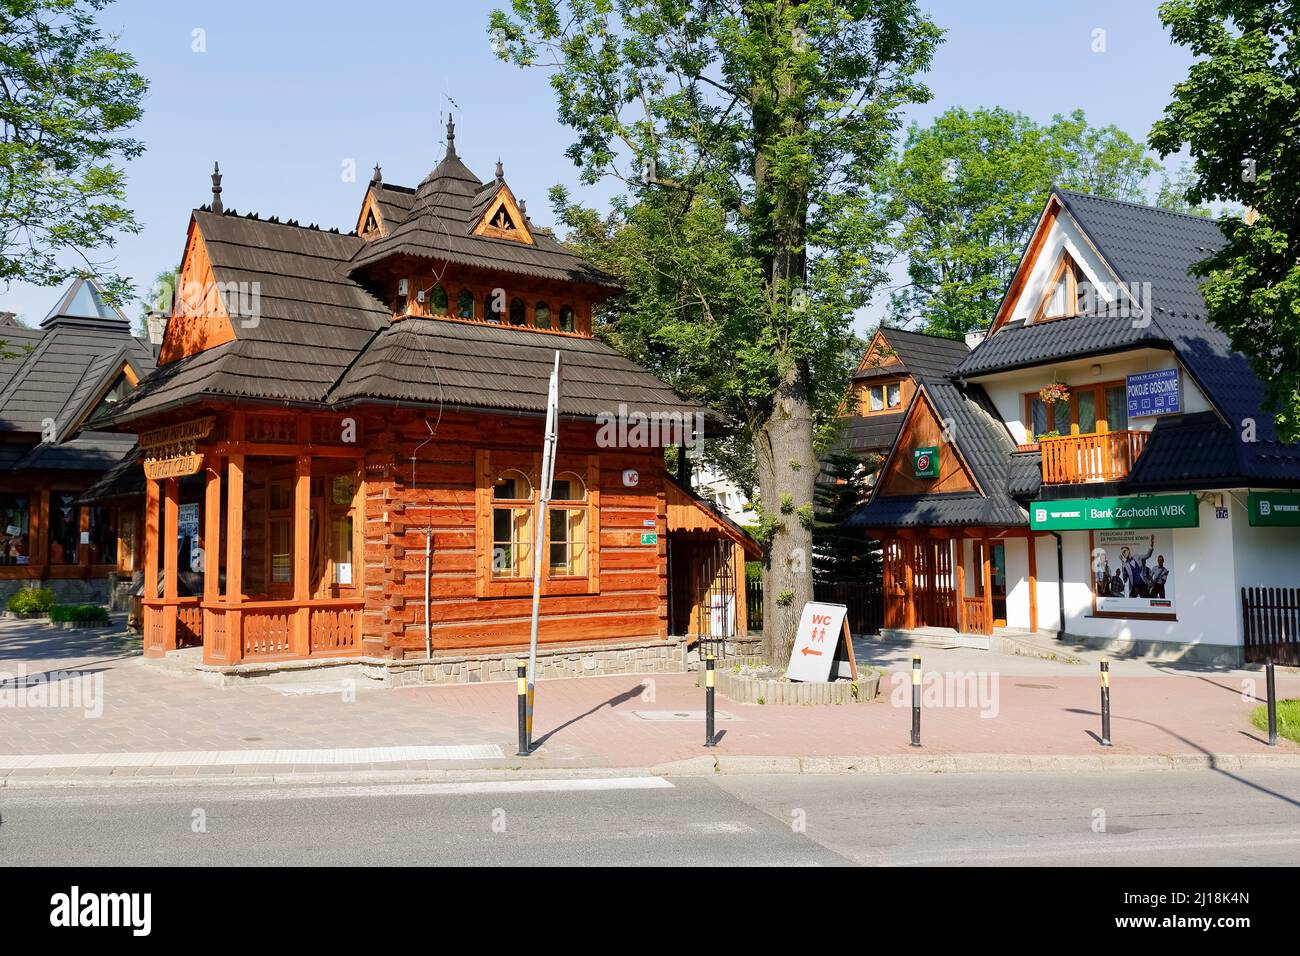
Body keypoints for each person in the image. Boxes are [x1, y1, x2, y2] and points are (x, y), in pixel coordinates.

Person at [1119, 535, 1155, 599]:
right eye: (1122, 553)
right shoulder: (1125, 565)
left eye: (1124, 551)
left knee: (1146, 601)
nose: (1123, 554)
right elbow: (1125, 579)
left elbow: (1147, 555)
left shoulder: (1137, 556)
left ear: (1128, 551)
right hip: (1134, 587)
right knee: (1131, 603)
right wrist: (1122, 564)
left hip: (1143, 584)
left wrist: (1151, 545)